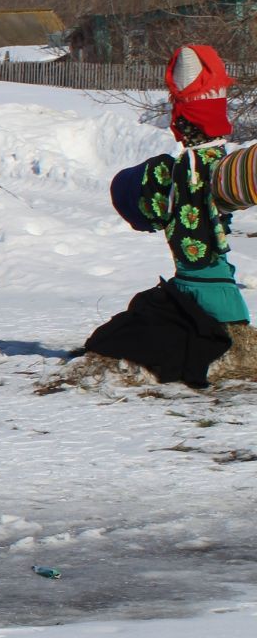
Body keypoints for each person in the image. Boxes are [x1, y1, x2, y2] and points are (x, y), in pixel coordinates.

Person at [83, 43, 245, 384]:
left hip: (202, 293)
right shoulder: (183, 171)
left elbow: (135, 203)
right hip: (209, 296)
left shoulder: (179, 171)